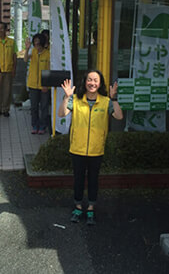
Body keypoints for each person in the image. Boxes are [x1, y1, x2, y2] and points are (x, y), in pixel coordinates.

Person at [59, 70, 123, 225]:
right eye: (89, 80)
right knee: (78, 179)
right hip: (77, 148)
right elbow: (61, 113)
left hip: (96, 149)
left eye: (95, 80)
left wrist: (114, 98)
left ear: (99, 83)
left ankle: (91, 209)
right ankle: (78, 207)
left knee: (94, 180)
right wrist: (67, 96)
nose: (92, 83)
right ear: (85, 82)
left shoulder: (106, 101)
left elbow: (119, 116)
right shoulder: (75, 99)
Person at [24, 33, 50, 135]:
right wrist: (27, 49)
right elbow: (25, 59)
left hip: (43, 86)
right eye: (35, 44)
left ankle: (43, 126)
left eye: (38, 44)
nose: (37, 46)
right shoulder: (33, 52)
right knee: (34, 107)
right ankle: (34, 125)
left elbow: (48, 70)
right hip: (33, 84)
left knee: (44, 107)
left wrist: (46, 85)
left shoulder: (48, 54)